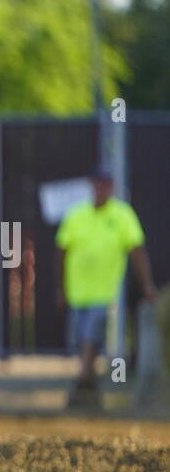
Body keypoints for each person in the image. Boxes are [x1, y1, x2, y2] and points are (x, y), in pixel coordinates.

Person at [55, 168, 157, 407]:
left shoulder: (122, 215)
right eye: (98, 185)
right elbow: (61, 252)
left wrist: (147, 285)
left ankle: (83, 380)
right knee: (80, 341)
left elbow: (137, 252)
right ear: (91, 186)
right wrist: (61, 287)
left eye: (106, 185)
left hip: (104, 293)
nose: (101, 190)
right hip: (78, 292)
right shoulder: (76, 215)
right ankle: (88, 387)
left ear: (111, 188)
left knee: (92, 336)